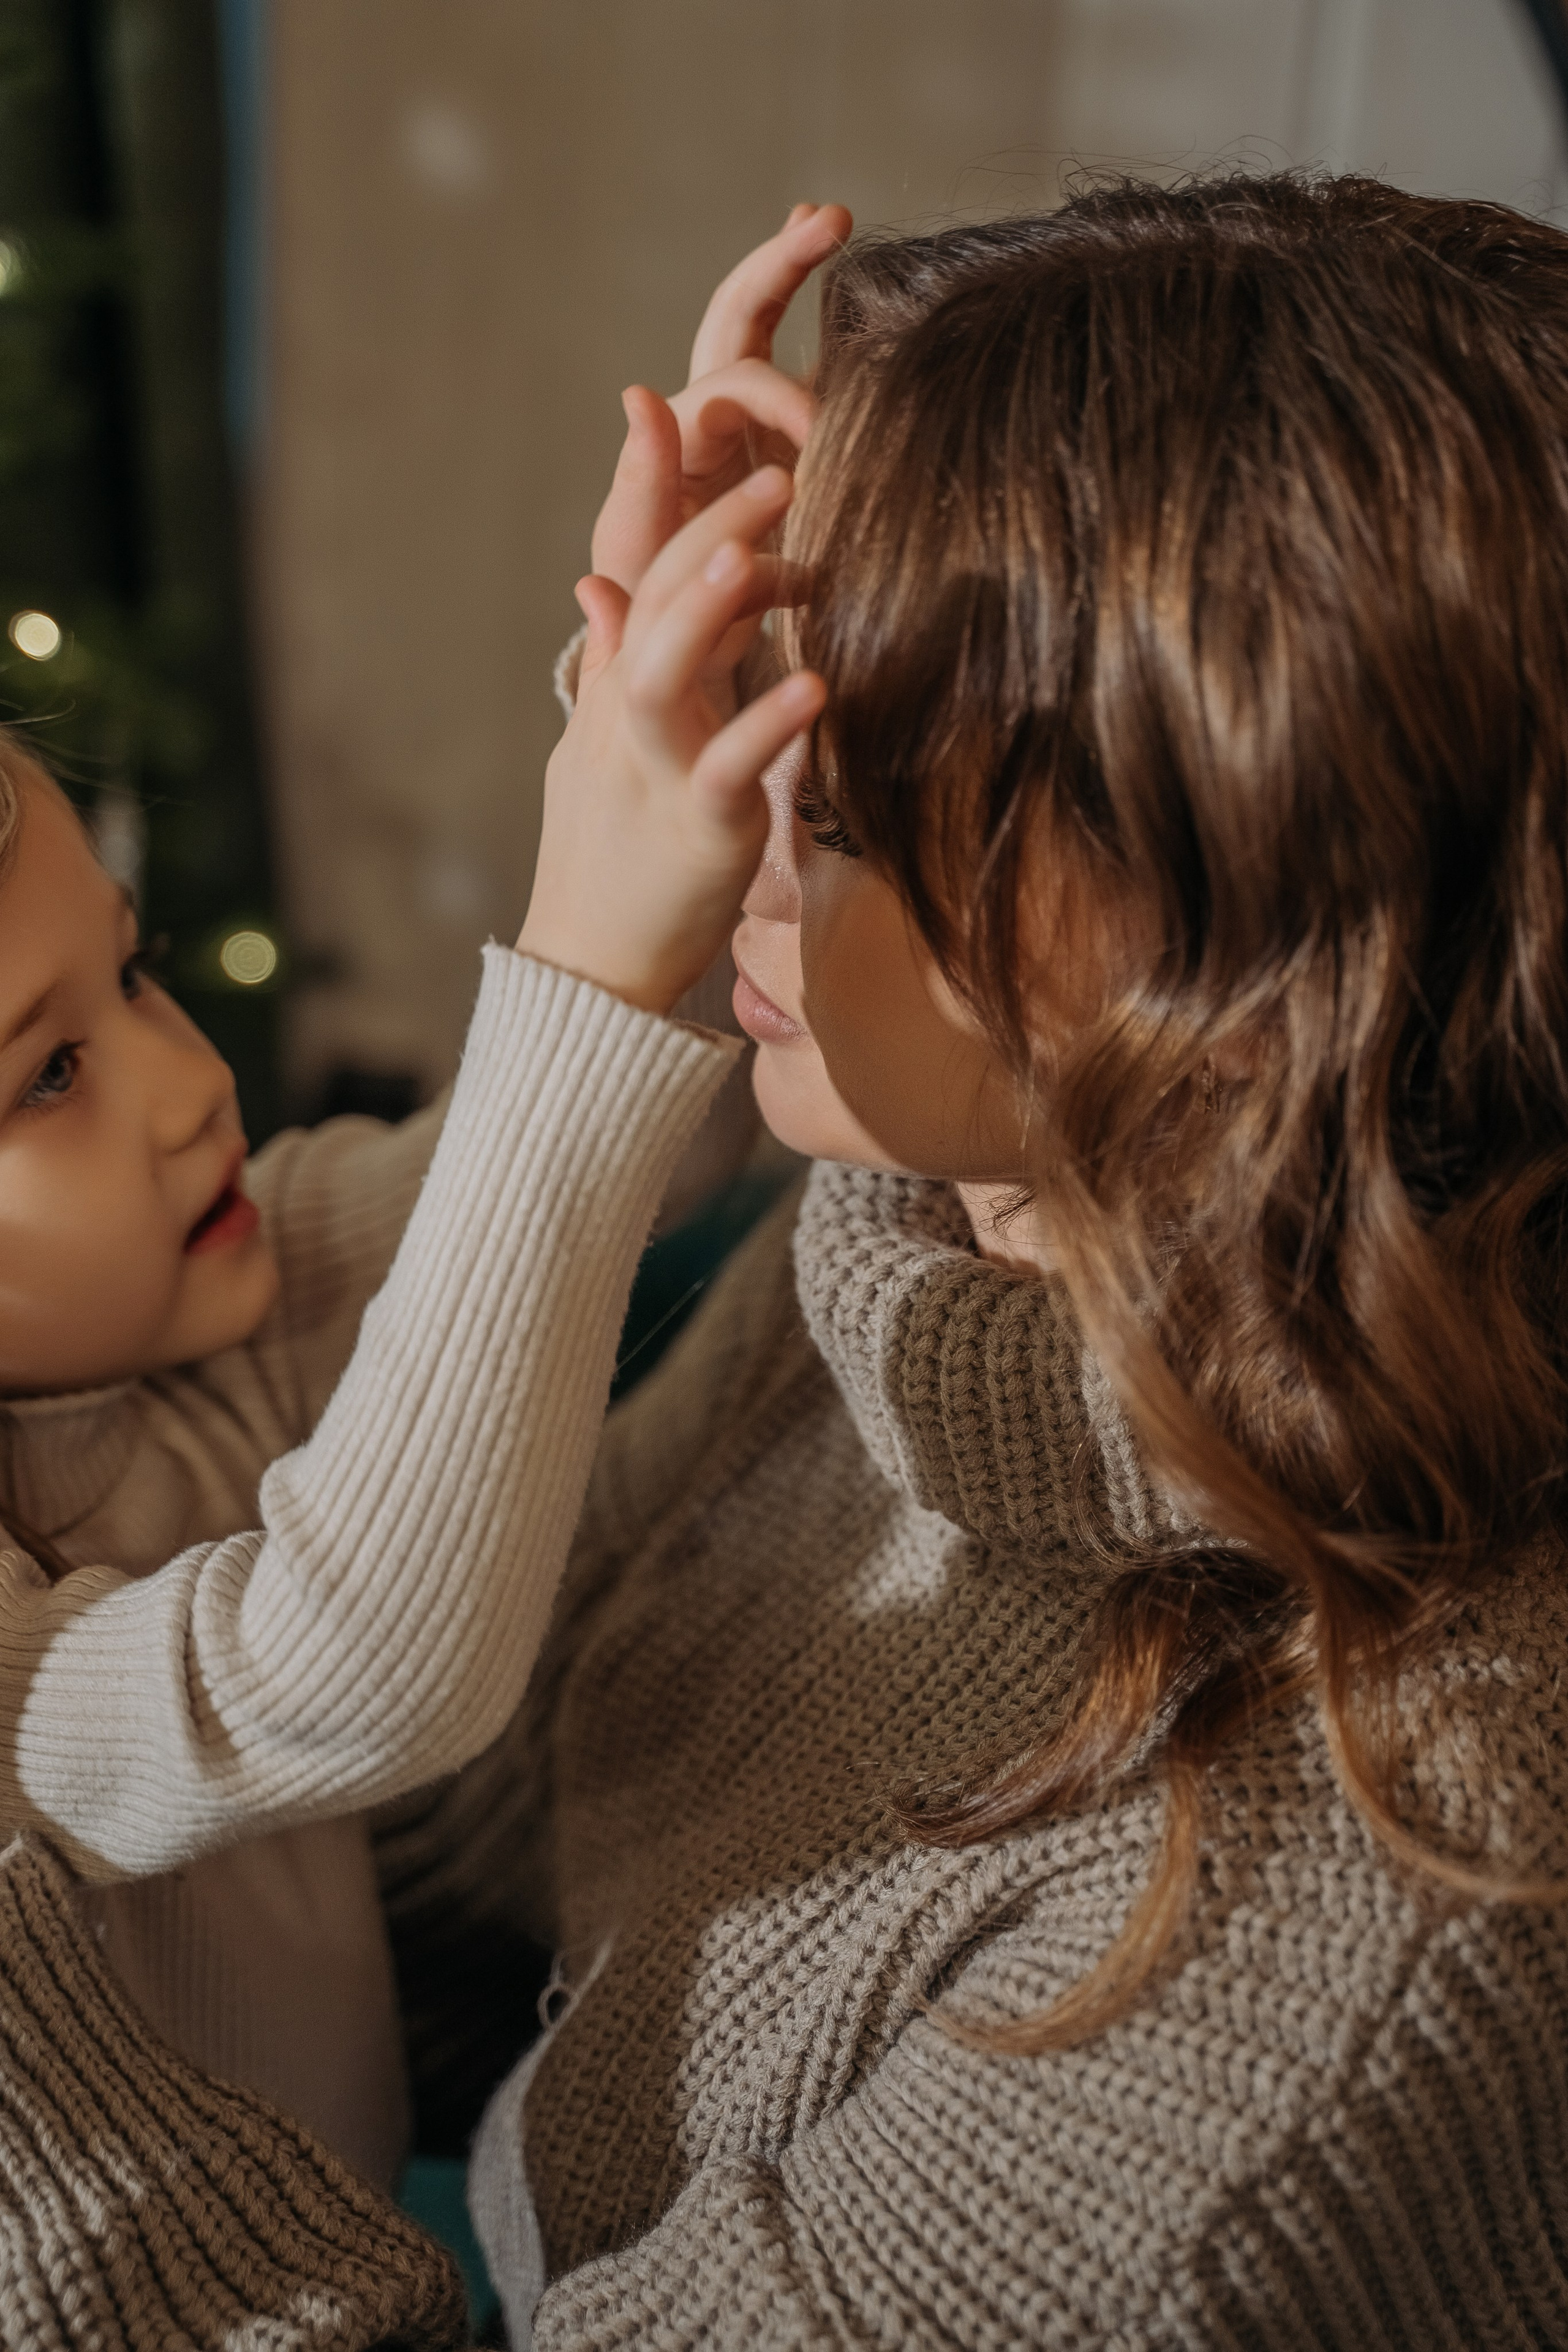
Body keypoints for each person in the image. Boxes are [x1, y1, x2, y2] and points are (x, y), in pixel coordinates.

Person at [0, 205, 846, 2343]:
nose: (196, 1088)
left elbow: (634, 1140)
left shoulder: (208, 1269)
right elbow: (358, 1665)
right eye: (47, 1079)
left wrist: (683, 722)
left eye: (138, 979)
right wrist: (585, 941)